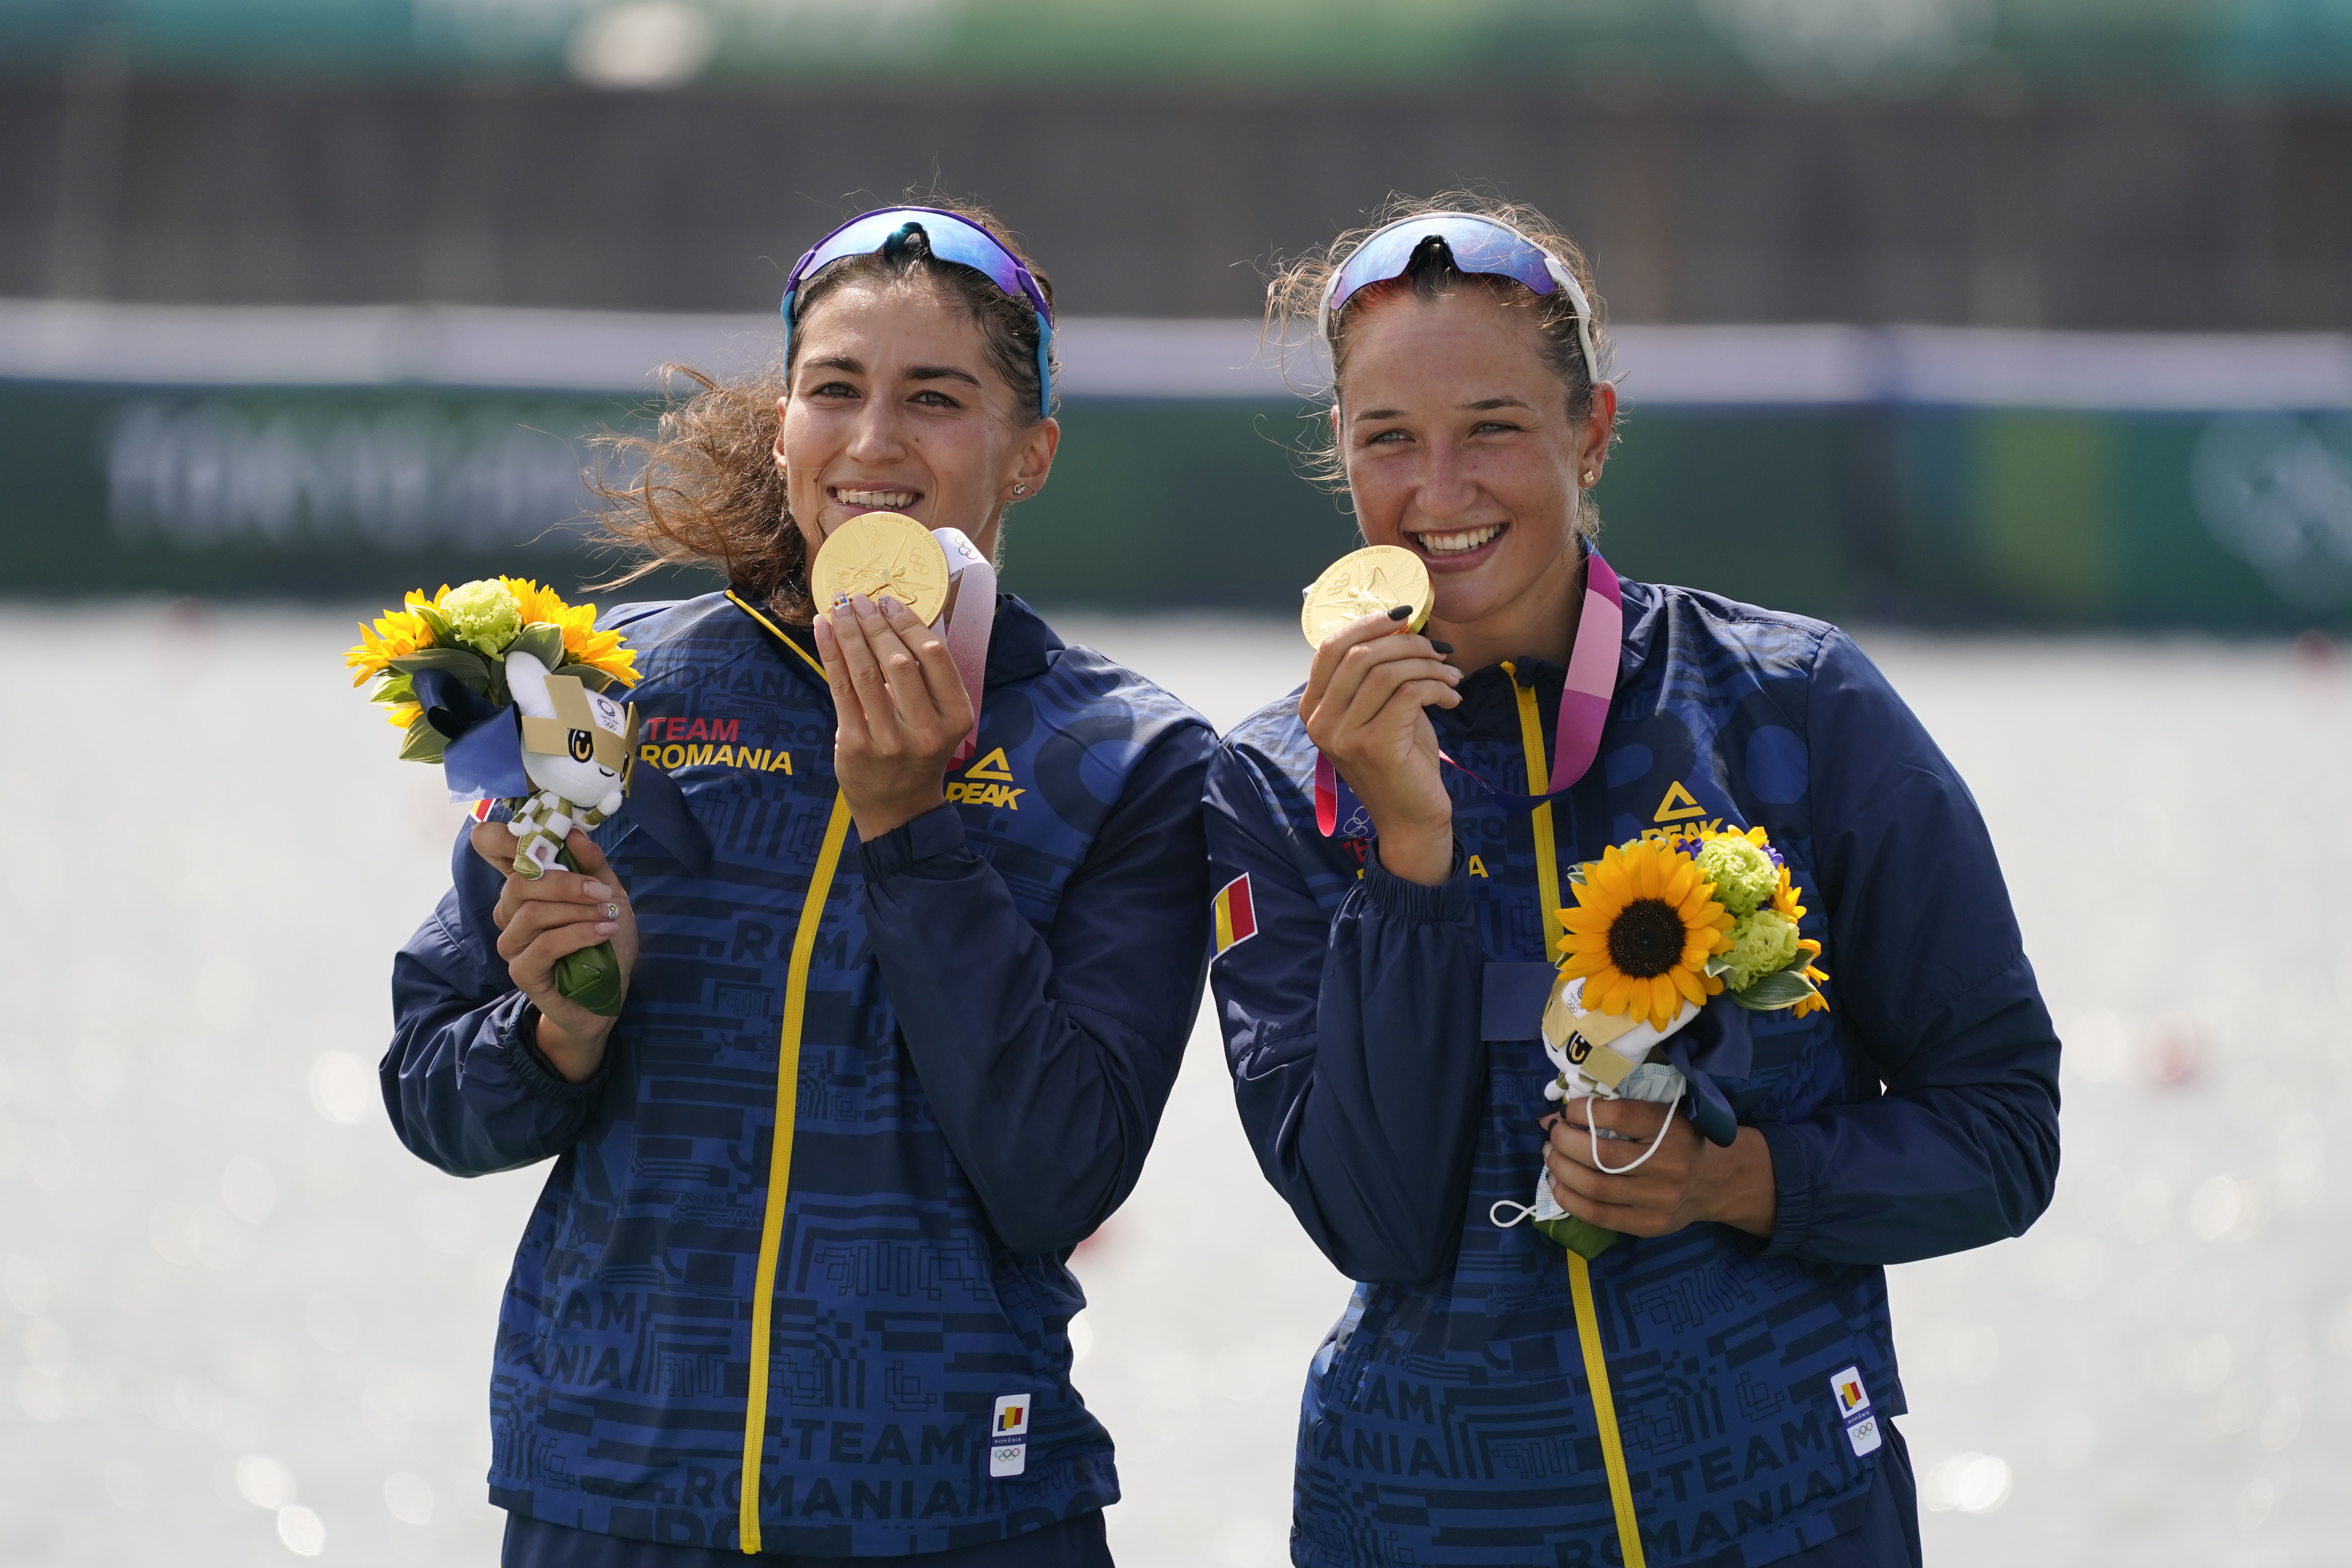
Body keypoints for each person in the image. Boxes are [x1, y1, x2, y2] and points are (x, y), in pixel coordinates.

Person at [1204, 194, 2060, 1568]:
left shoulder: (1796, 705)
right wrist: (1410, 858)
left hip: (1792, 1519)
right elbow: (1372, 1221)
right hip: (1426, 1527)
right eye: (1388, 440)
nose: (1440, 492)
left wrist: (1746, 1180)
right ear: (1342, 459)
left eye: (1492, 425)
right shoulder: (1273, 785)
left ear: (1593, 427)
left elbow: (2007, 1133)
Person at [382, 202, 1216, 1565]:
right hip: (609, 1496)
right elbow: (429, 1091)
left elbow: (1058, 1174)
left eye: (935, 400)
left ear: (1032, 453)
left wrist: (911, 828)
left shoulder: (1128, 756)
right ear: (784, 430)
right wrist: (557, 1033)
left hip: (965, 1514)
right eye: (835, 390)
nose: (875, 442)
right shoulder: (596, 687)